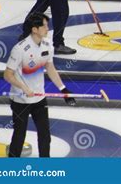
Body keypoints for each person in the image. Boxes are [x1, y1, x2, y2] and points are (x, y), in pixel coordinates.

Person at [4, 12, 76, 157]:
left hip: (39, 99)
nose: (47, 28)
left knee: (45, 136)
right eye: (44, 25)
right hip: (21, 100)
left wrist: (63, 90)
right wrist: (24, 88)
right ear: (34, 29)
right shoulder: (19, 49)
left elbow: (50, 67)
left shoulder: (48, 44)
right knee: (19, 136)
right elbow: (7, 74)